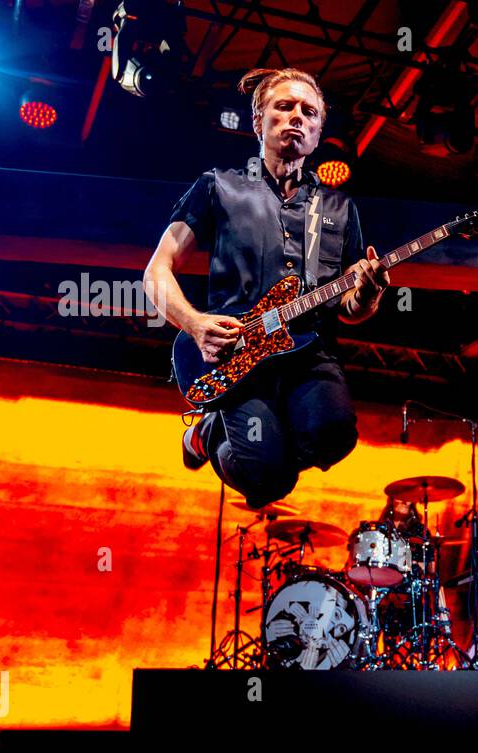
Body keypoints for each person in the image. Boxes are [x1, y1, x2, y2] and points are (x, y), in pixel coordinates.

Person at [144, 67, 390, 509]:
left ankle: (236, 434)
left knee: (334, 436)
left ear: (317, 133)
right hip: (237, 352)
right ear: (259, 121)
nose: (297, 116)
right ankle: (211, 434)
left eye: (309, 112)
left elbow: (350, 306)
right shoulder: (218, 186)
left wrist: (368, 295)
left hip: (309, 350)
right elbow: (157, 270)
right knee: (266, 482)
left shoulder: (338, 207)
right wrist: (196, 324)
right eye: (284, 106)